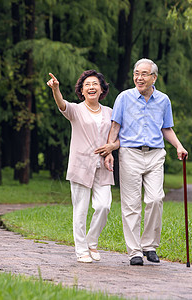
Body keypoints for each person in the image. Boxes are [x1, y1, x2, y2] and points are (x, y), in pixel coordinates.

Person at [100, 58, 188, 266]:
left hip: (156, 154)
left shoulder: (163, 100)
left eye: (144, 74)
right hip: (130, 153)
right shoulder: (124, 98)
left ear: (154, 77)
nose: (139, 78)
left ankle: (149, 245)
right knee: (131, 204)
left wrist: (179, 146)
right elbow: (115, 126)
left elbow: (166, 128)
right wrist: (110, 149)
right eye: (136, 73)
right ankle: (135, 251)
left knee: (156, 199)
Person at [46, 70, 118, 263]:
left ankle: (91, 241)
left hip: (103, 167)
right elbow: (62, 104)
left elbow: (120, 138)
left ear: (102, 89)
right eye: (87, 85)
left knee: (104, 206)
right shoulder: (76, 110)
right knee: (80, 210)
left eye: (95, 84)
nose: (91, 87)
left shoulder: (110, 112)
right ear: (82, 90)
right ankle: (81, 250)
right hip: (80, 166)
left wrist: (111, 147)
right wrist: (56, 89)